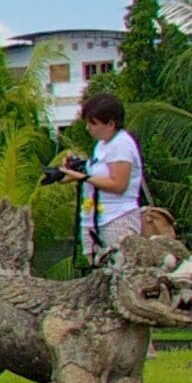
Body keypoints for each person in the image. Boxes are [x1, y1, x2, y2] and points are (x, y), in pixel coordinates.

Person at [53, 87, 148, 261]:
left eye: (93, 123)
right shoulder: (102, 145)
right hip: (94, 219)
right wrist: (68, 172)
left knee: (118, 273)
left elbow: (119, 185)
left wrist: (83, 177)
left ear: (111, 124)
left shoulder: (121, 144)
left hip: (117, 218)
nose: (89, 128)